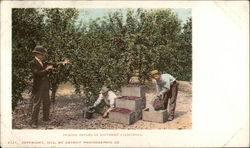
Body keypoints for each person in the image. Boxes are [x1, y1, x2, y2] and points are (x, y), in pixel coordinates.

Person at [29, 45, 69, 128]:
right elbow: (37, 73)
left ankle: (46, 118)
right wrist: (46, 69)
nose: (43, 56)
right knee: (37, 104)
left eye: (43, 54)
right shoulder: (32, 63)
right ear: (37, 54)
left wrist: (62, 63)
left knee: (46, 102)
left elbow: (53, 64)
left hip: (45, 85)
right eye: (42, 54)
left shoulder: (43, 62)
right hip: (38, 86)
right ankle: (33, 122)